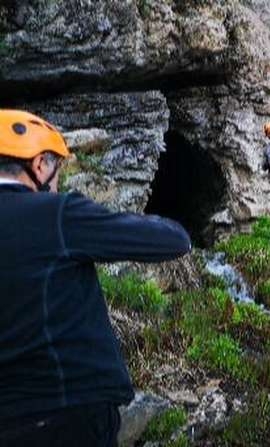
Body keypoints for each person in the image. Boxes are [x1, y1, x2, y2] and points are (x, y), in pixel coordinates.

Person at [0, 110, 192, 447]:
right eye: (58, 169)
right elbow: (171, 241)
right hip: (68, 412)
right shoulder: (55, 213)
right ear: (41, 164)